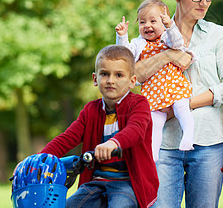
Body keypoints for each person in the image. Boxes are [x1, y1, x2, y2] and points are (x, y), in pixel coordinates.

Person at [135, 0, 223, 208]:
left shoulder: (219, 35)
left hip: (209, 142)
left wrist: (182, 106)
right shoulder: (149, 33)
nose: (204, 3)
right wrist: (167, 55)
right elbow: (132, 76)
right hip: (161, 145)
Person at [40, 45, 158, 208]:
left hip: (128, 183)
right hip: (96, 182)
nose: (110, 80)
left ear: (132, 81)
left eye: (118, 75)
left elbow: (136, 130)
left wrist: (113, 143)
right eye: (104, 74)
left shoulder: (139, 104)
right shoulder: (90, 110)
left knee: (120, 205)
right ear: (95, 79)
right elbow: (67, 138)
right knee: (69, 205)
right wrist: (38, 159)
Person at [115, 0, 195, 161]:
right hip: (153, 90)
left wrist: (170, 26)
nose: (147, 26)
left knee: (182, 109)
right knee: (153, 124)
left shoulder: (167, 37)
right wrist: (122, 37)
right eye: (142, 22)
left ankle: (188, 135)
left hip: (173, 85)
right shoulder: (138, 43)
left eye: (153, 21)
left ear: (163, 21)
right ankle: (152, 155)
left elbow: (177, 42)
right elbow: (125, 57)